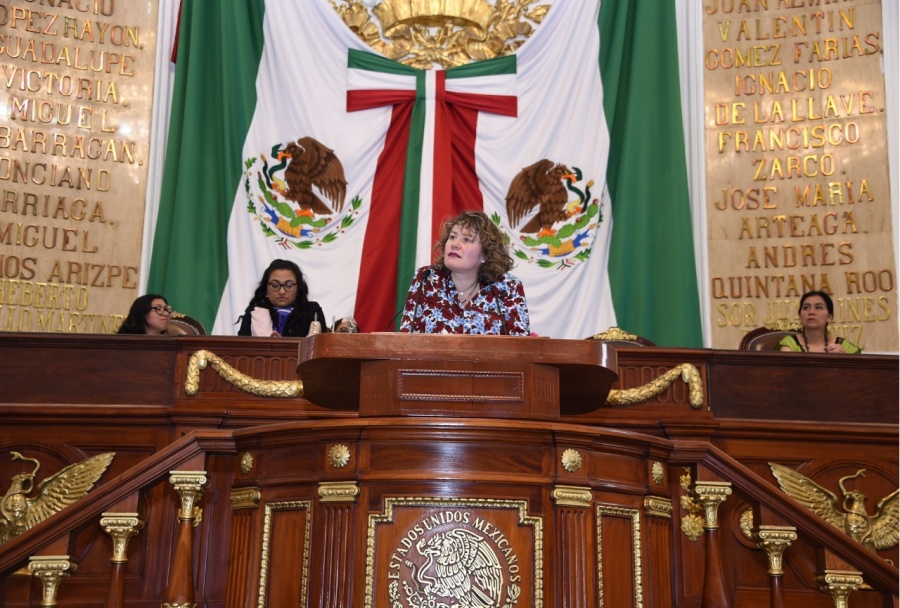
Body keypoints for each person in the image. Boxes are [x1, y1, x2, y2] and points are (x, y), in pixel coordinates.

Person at [400, 210, 530, 335]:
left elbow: (521, 349)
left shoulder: (508, 287)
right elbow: (407, 340)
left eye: (466, 239)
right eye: (452, 237)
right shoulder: (426, 278)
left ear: (485, 254)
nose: (454, 244)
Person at [237, 259, 327, 337]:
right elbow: (242, 347)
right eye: (275, 285)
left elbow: (320, 346)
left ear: (298, 287)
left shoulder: (311, 310)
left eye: (289, 285)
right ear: (266, 287)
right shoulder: (255, 311)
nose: (282, 292)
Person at [778, 290, 861, 354]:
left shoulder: (842, 345)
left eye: (818, 307)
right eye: (806, 308)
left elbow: (859, 371)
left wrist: (843, 359)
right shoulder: (790, 343)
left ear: (829, 317)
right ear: (800, 316)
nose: (811, 312)